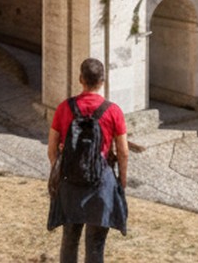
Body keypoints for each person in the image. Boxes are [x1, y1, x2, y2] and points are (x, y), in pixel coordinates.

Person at [47, 57, 129, 263]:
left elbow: (52, 148)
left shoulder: (64, 108)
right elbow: (123, 152)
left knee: (69, 240)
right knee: (95, 244)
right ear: (102, 81)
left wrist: (60, 171)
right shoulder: (113, 111)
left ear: (80, 79)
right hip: (101, 185)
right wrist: (122, 181)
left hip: (70, 183)